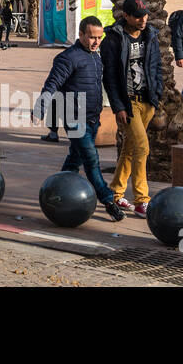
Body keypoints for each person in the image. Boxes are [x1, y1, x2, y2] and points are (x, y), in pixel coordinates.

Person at [33, 15, 124, 221]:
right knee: (91, 159)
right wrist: (40, 107)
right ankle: (109, 201)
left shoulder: (96, 57)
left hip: (92, 118)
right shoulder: (68, 58)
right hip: (73, 118)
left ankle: (57, 194)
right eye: (92, 37)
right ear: (81, 34)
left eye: (99, 38)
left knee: (75, 160)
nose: (96, 42)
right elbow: (52, 84)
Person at [101, 0, 163, 218]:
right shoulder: (113, 40)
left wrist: (157, 95)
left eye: (145, 15)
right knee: (142, 147)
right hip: (128, 103)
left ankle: (115, 193)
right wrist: (118, 107)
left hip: (147, 101)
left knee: (130, 148)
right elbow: (109, 77)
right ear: (125, 16)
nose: (143, 20)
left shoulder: (151, 35)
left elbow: (156, 66)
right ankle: (141, 199)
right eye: (137, 16)